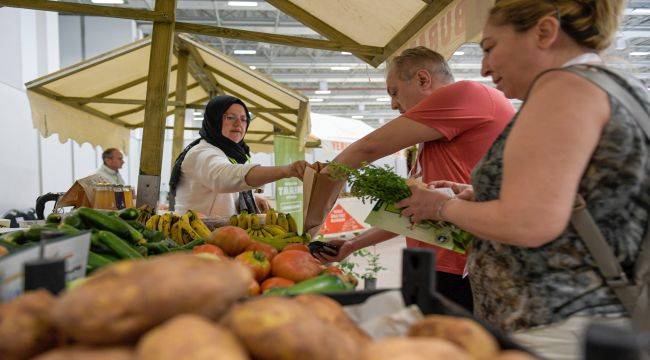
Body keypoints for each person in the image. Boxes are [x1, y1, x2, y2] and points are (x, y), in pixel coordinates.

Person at [395, 1, 649, 358]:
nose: (484, 68)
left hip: (558, 325)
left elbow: (529, 222)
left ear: (544, 32)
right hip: (586, 321)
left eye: (490, 48)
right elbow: (579, 197)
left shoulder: (564, 89)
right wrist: (476, 195)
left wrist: (440, 206)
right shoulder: (608, 83)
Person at [313, 46, 515, 311]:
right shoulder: (433, 142)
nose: (393, 105)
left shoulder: (467, 93)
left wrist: (322, 185)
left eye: (394, 92)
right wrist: (352, 244)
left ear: (423, 79)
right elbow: (414, 211)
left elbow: (368, 148)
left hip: (463, 264)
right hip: (437, 260)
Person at [170, 95, 307, 217]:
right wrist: (286, 170)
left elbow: (228, 188)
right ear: (214, 120)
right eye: (230, 117)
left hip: (223, 237)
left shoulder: (233, 153)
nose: (238, 124)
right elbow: (225, 177)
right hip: (194, 238)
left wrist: (253, 197)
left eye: (243, 119)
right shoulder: (201, 153)